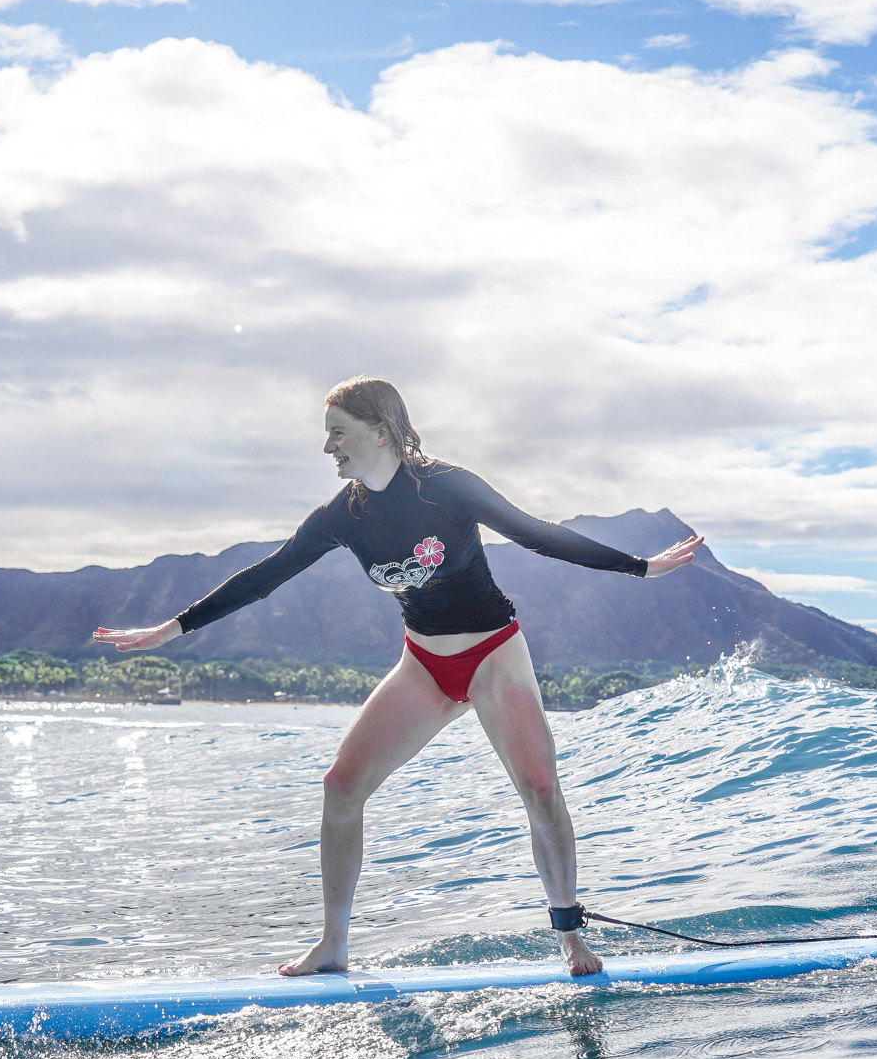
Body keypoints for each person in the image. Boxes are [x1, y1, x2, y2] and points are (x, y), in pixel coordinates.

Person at [92, 377, 703, 977]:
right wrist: (170, 629)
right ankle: (333, 944)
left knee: (540, 790)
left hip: (493, 653)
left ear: (381, 432)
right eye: (326, 435)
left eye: (337, 433)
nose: (327, 446)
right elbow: (266, 576)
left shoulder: (447, 488)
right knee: (341, 787)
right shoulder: (344, 515)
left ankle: (569, 935)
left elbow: (533, 533)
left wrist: (640, 567)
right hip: (424, 664)